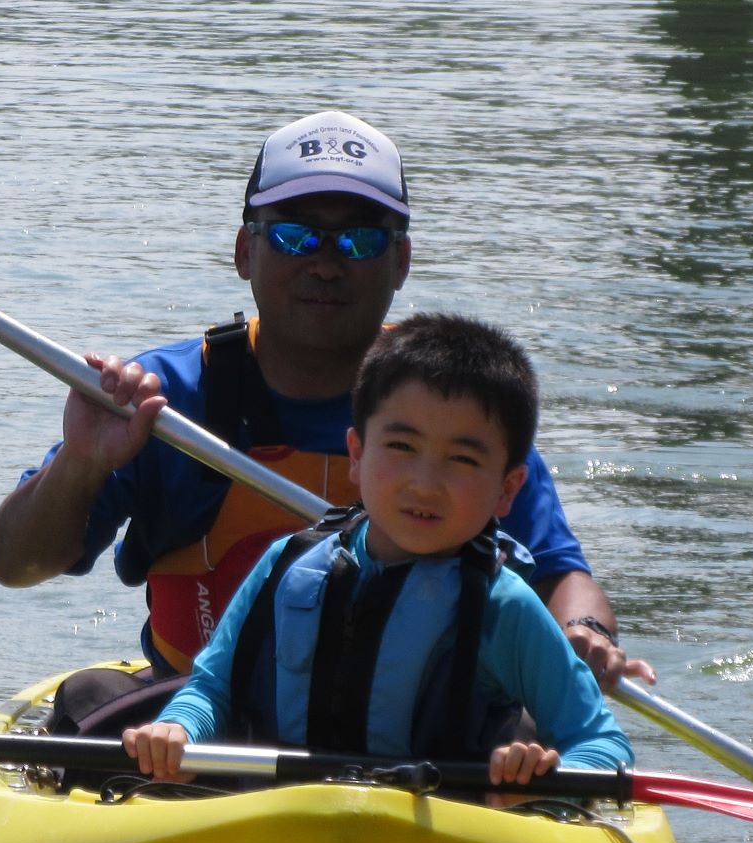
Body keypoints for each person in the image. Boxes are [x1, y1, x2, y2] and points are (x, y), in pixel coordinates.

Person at [0, 107, 653, 737]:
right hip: (208, 719)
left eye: (360, 240)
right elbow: (16, 565)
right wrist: (82, 462)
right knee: (87, 701)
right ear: (246, 252)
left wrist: (586, 633)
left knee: (534, 730)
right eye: (295, 235)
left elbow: (561, 575)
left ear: (401, 262)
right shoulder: (165, 400)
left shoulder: (462, 401)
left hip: (428, 733)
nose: (327, 263)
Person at [122, 313, 632, 787]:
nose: (425, 484)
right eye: (402, 448)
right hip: (279, 825)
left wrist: (544, 778)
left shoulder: (503, 607)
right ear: (357, 455)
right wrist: (178, 731)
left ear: (507, 489)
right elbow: (211, 690)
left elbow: (601, 743)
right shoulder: (286, 565)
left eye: (461, 459)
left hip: (443, 841)